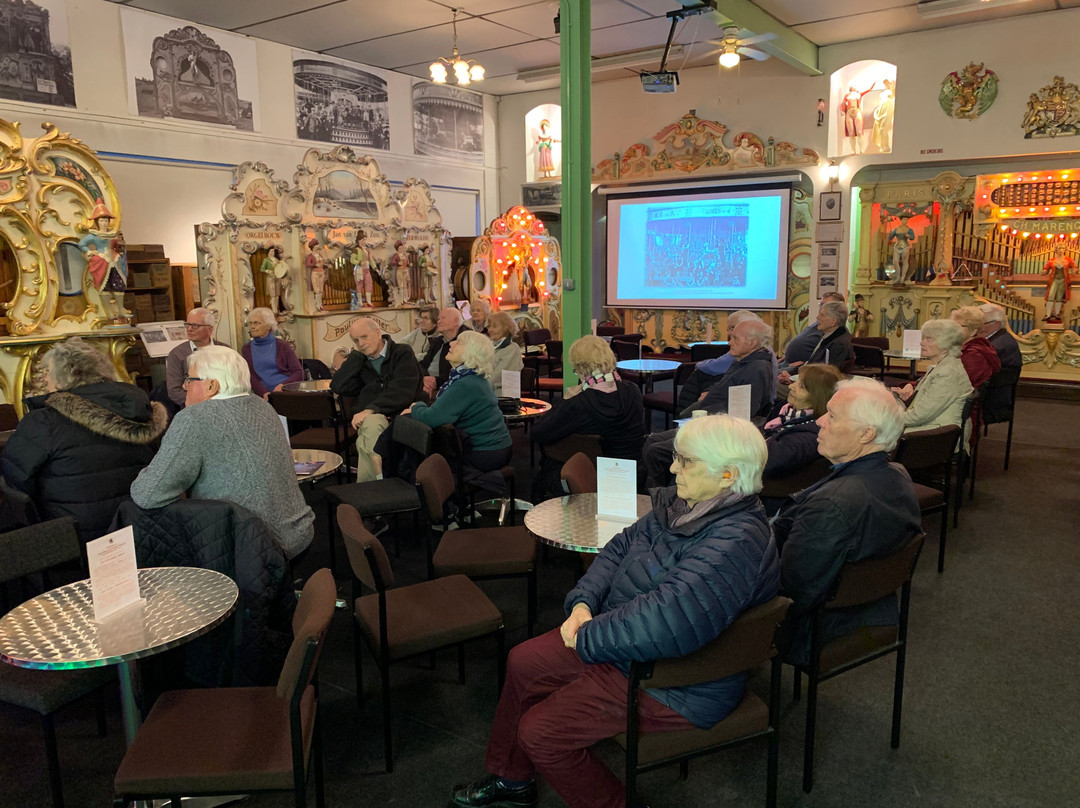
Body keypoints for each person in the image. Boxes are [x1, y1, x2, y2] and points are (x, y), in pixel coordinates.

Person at [449, 414, 779, 808]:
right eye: (677, 456)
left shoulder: (736, 540)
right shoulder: (686, 504)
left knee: (540, 734)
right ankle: (513, 779)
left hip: (677, 680)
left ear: (727, 476)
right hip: (626, 646)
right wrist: (583, 602)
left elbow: (666, 621)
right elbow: (620, 546)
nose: (673, 468)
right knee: (523, 661)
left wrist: (586, 635)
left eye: (686, 461)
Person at [773, 377, 921, 666]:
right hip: (872, 611)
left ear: (866, 434)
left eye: (832, 416)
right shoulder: (897, 473)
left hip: (814, 629)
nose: (819, 422)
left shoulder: (831, 505)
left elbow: (793, 591)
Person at [130, 346, 315, 560]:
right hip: (298, 535)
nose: (184, 385)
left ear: (211, 385)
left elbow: (148, 494)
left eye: (190, 379)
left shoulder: (195, 417)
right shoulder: (262, 406)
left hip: (253, 552)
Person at [1, 338, 167, 544]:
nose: (45, 380)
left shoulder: (45, 421)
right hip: (142, 529)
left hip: (73, 539)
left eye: (47, 373)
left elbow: (15, 481)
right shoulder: (140, 407)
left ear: (63, 378)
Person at [643, 318, 776, 488]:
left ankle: (660, 498)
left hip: (716, 430)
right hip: (708, 420)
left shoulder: (755, 369)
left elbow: (742, 414)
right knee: (651, 442)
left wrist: (705, 421)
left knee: (656, 451)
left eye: (735, 338)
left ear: (753, 342)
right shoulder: (746, 362)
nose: (729, 343)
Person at [531, 336, 644, 499]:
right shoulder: (633, 391)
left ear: (581, 369)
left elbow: (538, 432)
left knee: (546, 472)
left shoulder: (579, 404)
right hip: (634, 476)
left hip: (594, 478)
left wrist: (566, 400)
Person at [402, 330, 512, 473]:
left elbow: (431, 418)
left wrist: (416, 407)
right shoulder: (472, 378)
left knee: (408, 427)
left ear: (472, 352)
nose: (451, 343)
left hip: (485, 453)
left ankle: (394, 479)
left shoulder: (465, 383)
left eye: (458, 342)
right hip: (497, 449)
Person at [330, 317, 422, 482]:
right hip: (375, 418)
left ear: (378, 332)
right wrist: (357, 355)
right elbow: (338, 385)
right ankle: (381, 485)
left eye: (364, 337)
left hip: (404, 415)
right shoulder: (362, 361)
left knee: (364, 440)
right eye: (356, 341)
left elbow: (402, 390)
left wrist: (370, 409)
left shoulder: (402, 353)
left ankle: (371, 490)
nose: (361, 343)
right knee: (371, 426)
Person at [763, 363, 843, 481]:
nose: (791, 386)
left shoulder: (816, 432)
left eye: (801, 386)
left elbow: (770, 459)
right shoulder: (785, 409)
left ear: (818, 396)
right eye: (796, 381)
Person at [892, 319, 973, 434]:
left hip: (935, 436)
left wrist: (884, 419)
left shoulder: (948, 374)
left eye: (928, 339)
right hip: (931, 429)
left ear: (945, 345)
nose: (922, 343)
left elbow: (919, 416)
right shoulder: (941, 366)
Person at [776, 300, 853, 386]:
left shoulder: (838, 344)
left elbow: (827, 379)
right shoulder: (829, 336)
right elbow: (812, 364)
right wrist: (789, 373)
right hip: (801, 376)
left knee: (767, 384)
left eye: (822, 315)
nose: (817, 317)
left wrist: (794, 381)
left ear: (833, 322)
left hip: (807, 387)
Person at [165, 308, 229, 409]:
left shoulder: (225, 351)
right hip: (191, 408)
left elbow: (232, 382)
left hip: (223, 405)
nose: (189, 329)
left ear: (210, 329)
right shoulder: (177, 354)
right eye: (187, 325)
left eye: (195, 325)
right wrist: (199, 404)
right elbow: (174, 391)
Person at [240, 307, 304, 399]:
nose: (252, 327)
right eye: (250, 323)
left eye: (257, 323)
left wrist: (283, 386)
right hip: (262, 395)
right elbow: (250, 376)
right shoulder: (246, 349)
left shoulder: (283, 346)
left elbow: (299, 372)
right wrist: (264, 393)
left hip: (285, 392)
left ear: (269, 326)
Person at [977, 303, 1022, 423]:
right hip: (992, 397)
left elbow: (975, 376)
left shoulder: (996, 346)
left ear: (995, 324)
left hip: (990, 403)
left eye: (980, 323)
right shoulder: (1000, 339)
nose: (976, 327)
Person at [420, 306, 469, 396]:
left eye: (443, 318)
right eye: (438, 318)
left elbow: (460, 373)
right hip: (428, 384)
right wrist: (425, 378)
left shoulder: (466, 342)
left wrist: (434, 382)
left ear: (456, 322)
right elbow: (422, 364)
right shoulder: (439, 341)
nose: (439, 321)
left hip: (451, 390)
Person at [950, 306, 1001, 390]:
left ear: (973, 331)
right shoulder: (965, 349)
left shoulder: (974, 355)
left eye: (958, 326)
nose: (952, 330)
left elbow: (959, 385)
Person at [488, 311, 524, 396]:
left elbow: (496, 376)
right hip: (489, 394)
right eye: (489, 326)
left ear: (506, 328)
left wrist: (478, 388)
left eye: (494, 326)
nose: (490, 330)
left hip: (503, 397)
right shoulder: (491, 346)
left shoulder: (512, 349)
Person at [1041, 245, 1076, 321]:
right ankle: (1048, 314)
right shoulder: (1051, 260)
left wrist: (1074, 270)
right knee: (1050, 296)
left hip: (1063, 280)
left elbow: (1074, 267)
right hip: (1054, 280)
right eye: (1059, 248)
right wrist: (1044, 271)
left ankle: (1057, 314)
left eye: (1062, 248)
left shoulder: (1068, 260)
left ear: (1064, 250)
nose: (1061, 250)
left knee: (1059, 297)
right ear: (1056, 250)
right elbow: (1046, 268)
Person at [259, 245, 288, 314]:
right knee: (273, 295)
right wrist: (267, 271)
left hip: (277, 278)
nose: (272, 253)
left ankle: (277, 309)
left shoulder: (276, 260)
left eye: (273, 251)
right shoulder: (266, 260)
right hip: (271, 278)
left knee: (277, 295)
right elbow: (261, 269)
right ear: (268, 252)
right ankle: (274, 310)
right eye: (271, 251)